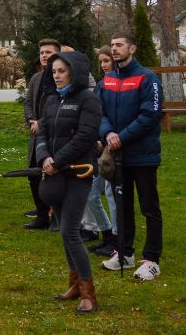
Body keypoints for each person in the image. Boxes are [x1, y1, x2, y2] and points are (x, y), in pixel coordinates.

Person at [36, 50, 103, 314]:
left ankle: (89, 293)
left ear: (74, 72)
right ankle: (74, 284)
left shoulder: (89, 100)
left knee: (69, 231)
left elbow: (86, 136)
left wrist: (58, 161)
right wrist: (44, 158)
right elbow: (43, 132)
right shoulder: (52, 100)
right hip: (54, 173)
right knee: (64, 231)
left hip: (78, 173)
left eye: (61, 71)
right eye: (54, 72)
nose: (57, 76)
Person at [98, 32, 164, 281]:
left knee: (149, 208)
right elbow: (100, 112)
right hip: (117, 157)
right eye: (112, 45)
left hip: (143, 156)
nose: (114, 49)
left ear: (132, 48)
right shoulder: (107, 79)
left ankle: (152, 260)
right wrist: (108, 133)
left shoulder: (148, 79)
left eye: (119, 45)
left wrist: (121, 137)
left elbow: (150, 115)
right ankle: (124, 252)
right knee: (122, 207)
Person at [23, 38, 62, 230]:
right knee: (34, 174)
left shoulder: (61, 78)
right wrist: (31, 120)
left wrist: (42, 123)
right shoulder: (36, 78)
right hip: (35, 134)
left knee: (53, 175)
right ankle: (41, 215)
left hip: (55, 135)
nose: (44, 55)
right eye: (42, 53)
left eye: (48, 52)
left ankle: (56, 216)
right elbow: (28, 102)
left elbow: (58, 106)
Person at [86, 46, 118, 256]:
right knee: (90, 193)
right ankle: (106, 232)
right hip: (100, 145)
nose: (104, 65)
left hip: (115, 145)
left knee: (112, 194)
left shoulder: (118, 85)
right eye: (101, 61)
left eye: (107, 61)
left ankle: (117, 239)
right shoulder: (100, 85)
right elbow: (97, 115)